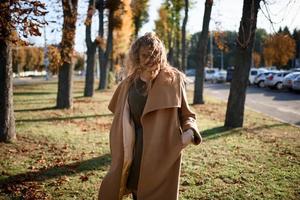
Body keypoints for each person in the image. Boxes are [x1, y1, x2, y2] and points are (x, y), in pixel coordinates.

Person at [98, 32, 202, 200]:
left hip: (163, 152)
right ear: (137, 57)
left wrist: (189, 134)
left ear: (161, 55)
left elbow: (187, 115)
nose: (150, 59)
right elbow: (121, 118)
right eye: (145, 55)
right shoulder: (128, 84)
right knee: (136, 191)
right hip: (133, 151)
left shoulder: (173, 80)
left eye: (154, 54)